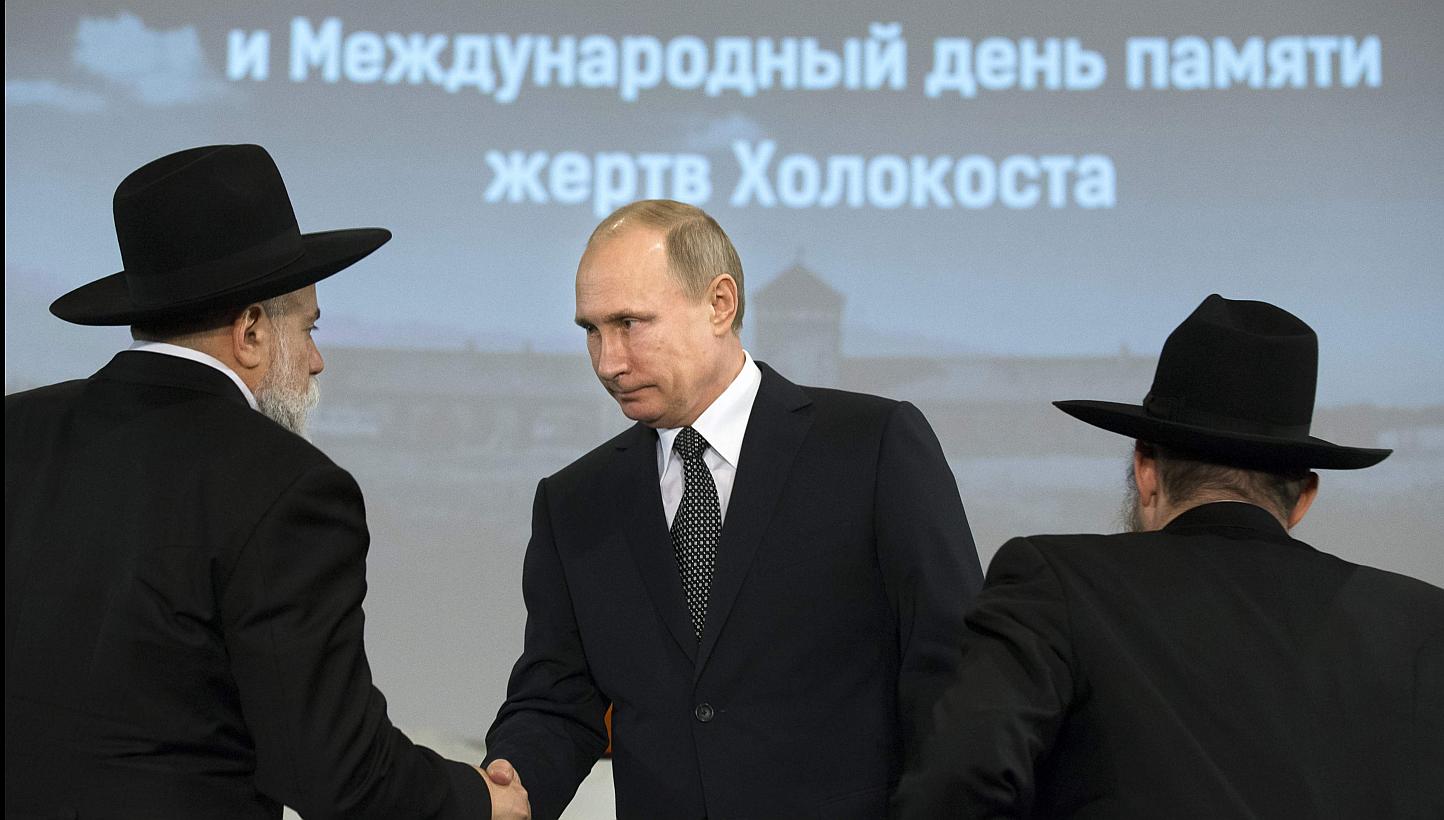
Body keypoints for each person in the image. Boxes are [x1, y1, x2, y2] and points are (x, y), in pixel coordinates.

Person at [4, 144, 529, 820]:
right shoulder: (288, 485)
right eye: (308, 327)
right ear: (251, 329)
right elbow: (333, 771)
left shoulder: (16, 429)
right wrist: (478, 801)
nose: (315, 361)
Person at [479, 199, 983, 819]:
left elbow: (954, 672)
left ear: (720, 304)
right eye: (591, 330)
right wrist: (509, 789)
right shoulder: (574, 501)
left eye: (631, 323)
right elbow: (556, 701)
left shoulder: (871, 446)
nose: (608, 361)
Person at [893, 294, 1444, 818]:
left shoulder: (1054, 582)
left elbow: (956, 785)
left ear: (1145, 470)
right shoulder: (1419, 621)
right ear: (1303, 497)